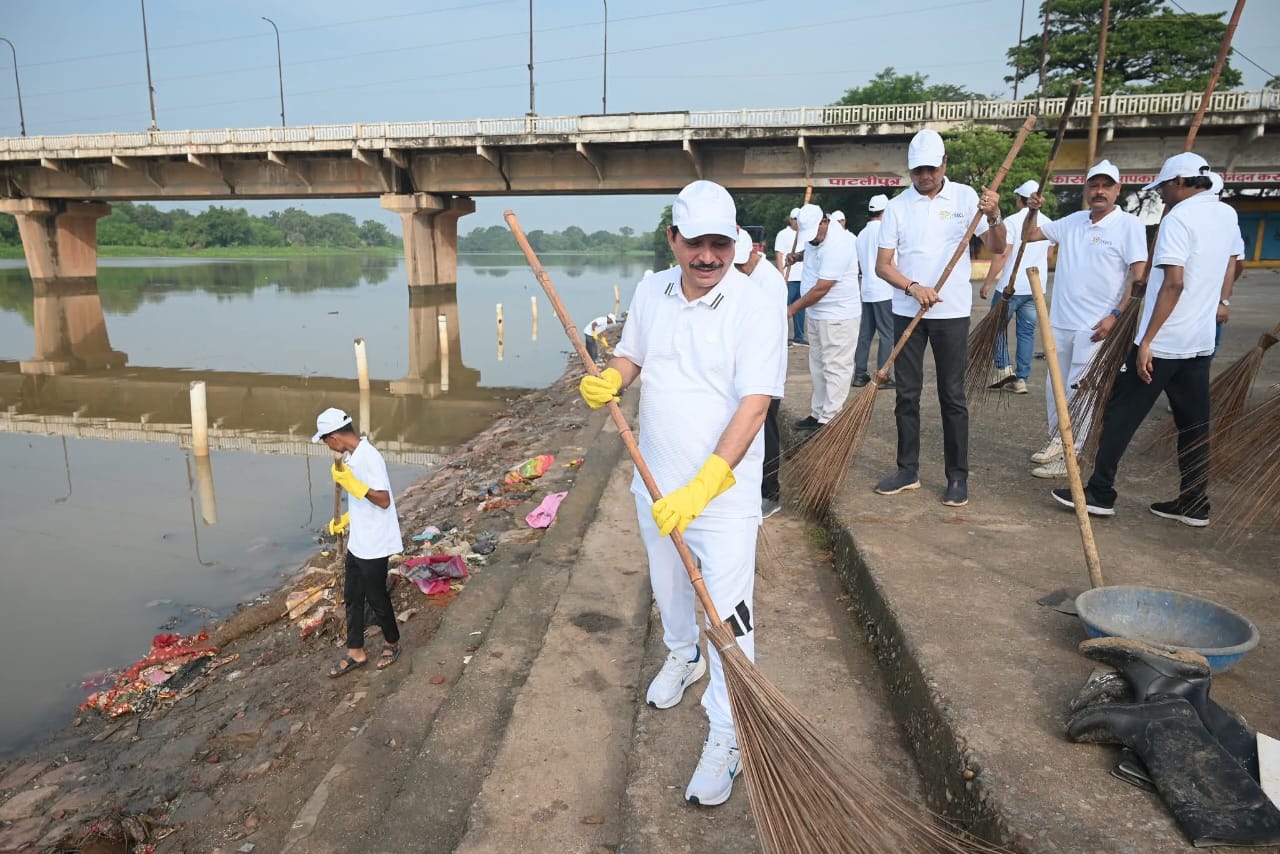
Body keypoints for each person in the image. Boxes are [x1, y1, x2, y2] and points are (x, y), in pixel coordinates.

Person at [579, 180, 784, 807]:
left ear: (734, 244)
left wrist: (706, 484)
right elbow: (635, 355)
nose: (708, 257)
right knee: (668, 584)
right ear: (674, 239)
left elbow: (756, 405)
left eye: (720, 244)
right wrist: (610, 378)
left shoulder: (755, 305)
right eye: (696, 243)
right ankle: (681, 655)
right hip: (654, 479)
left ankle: (729, 730)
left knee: (729, 614)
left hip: (718, 496)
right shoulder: (652, 289)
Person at [1052, 152, 1239, 527]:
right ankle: (1194, 502)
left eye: (1166, 188)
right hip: (1199, 340)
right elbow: (1234, 263)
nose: (1163, 195)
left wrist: (1147, 341)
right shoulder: (1226, 214)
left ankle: (1100, 493)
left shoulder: (1179, 218)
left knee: (1119, 414)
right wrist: (1221, 300)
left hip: (1164, 340)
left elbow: (1173, 282)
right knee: (1194, 424)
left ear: (1180, 183)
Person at [874, 129, 1006, 507]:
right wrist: (913, 287)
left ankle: (957, 477)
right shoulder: (898, 206)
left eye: (931, 169)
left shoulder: (967, 198)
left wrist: (994, 214)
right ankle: (907, 470)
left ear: (945, 164)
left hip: (952, 312)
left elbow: (998, 246)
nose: (925, 177)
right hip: (908, 310)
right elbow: (884, 265)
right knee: (907, 394)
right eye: (917, 171)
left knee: (952, 395)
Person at [1021, 161, 1147, 478]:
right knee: (1055, 387)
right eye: (1094, 185)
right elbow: (1029, 235)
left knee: (1083, 391)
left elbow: (1139, 277)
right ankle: (1058, 439)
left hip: (1097, 326)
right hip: (1060, 321)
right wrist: (1033, 210)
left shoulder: (1128, 226)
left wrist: (1116, 316)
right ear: (1086, 189)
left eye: (1107, 185)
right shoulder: (1074, 221)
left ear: (1118, 189)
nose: (1099, 191)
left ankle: (1074, 454)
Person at [313, 407, 404, 677]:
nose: (329, 447)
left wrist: (352, 484)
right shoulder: (354, 457)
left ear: (335, 438)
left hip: (375, 543)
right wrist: (346, 520)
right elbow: (364, 503)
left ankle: (392, 642)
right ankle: (356, 651)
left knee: (376, 597)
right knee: (352, 597)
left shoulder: (369, 457)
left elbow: (383, 500)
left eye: (326, 442)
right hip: (359, 541)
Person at [786, 203, 861, 431]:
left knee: (835, 367)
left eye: (814, 236)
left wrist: (791, 309)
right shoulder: (815, 238)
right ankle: (817, 413)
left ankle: (829, 419)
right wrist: (797, 256)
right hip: (818, 314)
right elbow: (811, 250)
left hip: (838, 315)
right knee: (817, 367)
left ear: (825, 221)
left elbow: (822, 288)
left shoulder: (840, 243)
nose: (811, 240)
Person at [978, 180, 1052, 395]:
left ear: (1020, 200)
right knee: (1026, 333)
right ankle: (1021, 379)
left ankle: (1002, 368)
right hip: (1035, 288)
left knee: (996, 328)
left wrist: (988, 282)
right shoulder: (1047, 222)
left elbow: (1002, 253)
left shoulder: (1010, 222)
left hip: (1010, 288)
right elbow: (1048, 255)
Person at [736, 229, 789, 519]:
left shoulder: (768, 282)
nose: (740, 269)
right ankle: (751, 488)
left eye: (744, 264)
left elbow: (763, 335)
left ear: (756, 253)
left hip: (765, 372)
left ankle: (770, 493)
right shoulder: (747, 276)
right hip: (749, 369)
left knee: (766, 434)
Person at [853, 194, 895, 388]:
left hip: (867, 289)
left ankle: (860, 374)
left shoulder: (861, 234)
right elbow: (892, 263)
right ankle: (883, 375)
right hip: (884, 289)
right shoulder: (884, 231)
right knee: (888, 334)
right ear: (885, 211)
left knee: (865, 334)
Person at [774, 207, 808, 345]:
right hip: (789, 278)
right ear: (790, 219)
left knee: (800, 308)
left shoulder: (806, 234)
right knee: (784, 308)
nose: (797, 222)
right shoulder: (783, 234)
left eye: (799, 219)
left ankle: (799, 337)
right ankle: (781, 337)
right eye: (794, 219)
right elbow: (779, 254)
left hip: (802, 277)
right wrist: (781, 274)